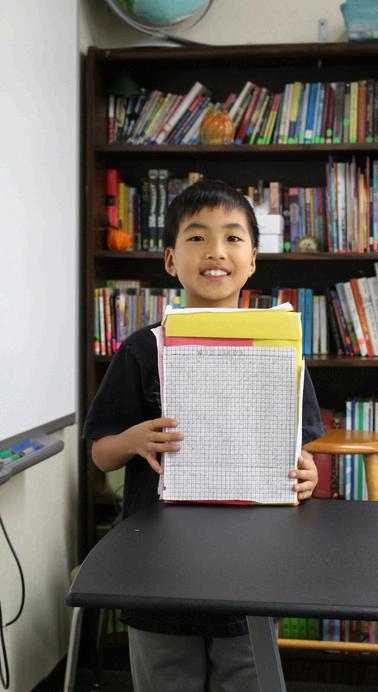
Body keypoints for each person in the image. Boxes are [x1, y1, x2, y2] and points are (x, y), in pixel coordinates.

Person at [83, 179, 325, 692]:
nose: (216, 251)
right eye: (197, 237)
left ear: (253, 259)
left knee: (248, 678)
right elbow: (101, 456)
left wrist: (306, 475)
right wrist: (133, 440)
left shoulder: (281, 346)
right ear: (171, 260)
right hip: (158, 568)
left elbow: (298, 454)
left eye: (233, 238)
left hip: (253, 566)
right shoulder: (142, 349)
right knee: (165, 679)